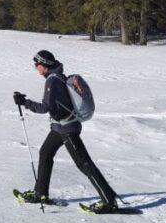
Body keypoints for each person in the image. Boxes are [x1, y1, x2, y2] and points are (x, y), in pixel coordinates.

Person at [14, 49, 119, 213]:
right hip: (59, 127)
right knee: (45, 153)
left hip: (67, 129)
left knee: (84, 164)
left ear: (45, 65)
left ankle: (109, 201)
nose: (35, 67)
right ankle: (40, 192)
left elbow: (45, 107)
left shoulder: (52, 81)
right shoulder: (57, 77)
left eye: (37, 64)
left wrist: (24, 102)